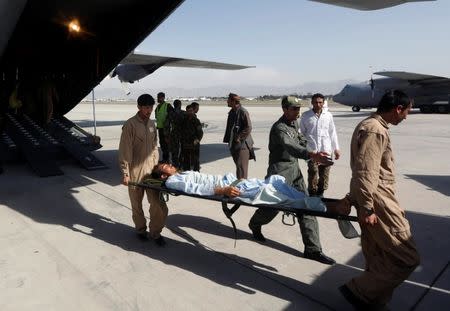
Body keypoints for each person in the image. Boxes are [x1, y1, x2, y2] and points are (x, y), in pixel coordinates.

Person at [339, 90, 420, 309]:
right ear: (398, 109)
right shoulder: (375, 130)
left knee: (378, 256)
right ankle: (359, 291)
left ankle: (374, 300)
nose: (406, 116)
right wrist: (366, 208)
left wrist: (353, 198)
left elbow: (362, 170)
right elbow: (366, 172)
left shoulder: (372, 125)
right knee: (407, 257)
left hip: (371, 198)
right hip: (378, 201)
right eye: (407, 111)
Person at [248, 96, 336, 265]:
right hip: (279, 172)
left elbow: (300, 141)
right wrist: (310, 155)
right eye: (294, 109)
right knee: (272, 207)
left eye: (299, 109)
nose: (298, 112)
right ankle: (255, 223)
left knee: (307, 206)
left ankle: (313, 249)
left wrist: (315, 151)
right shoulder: (279, 128)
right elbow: (291, 147)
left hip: (294, 171)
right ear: (285, 109)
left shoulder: (294, 124)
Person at [151, 163, 350, 214]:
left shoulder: (181, 172)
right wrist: (222, 191)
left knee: (278, 184)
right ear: (163, 175)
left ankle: (322, 203)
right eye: (164, 166)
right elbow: (194, 188)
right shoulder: (173, 182)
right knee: (282, 199)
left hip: (238, 183)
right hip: (234, 190)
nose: (168, 164)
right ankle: (331, 208)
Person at [118, 94, 168, 246]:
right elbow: (124, 151)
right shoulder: (130, 125)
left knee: (158, 205)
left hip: (151, 172)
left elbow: (154, 147)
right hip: (135, 172)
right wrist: (126, 173)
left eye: (151, 107)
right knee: (137, 205)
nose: (149, 110)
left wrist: (158, 168)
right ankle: (141, 230)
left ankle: (155, 232)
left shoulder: (152, 124)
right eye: (146, 107)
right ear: (139, 107)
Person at [299, 93, 340, 197]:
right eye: (316, 102)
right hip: (313, 151)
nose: (318, 104)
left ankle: (321, 194)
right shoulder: (306, 116)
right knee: (313, 172)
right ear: (312, 103)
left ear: (323, 103)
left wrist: (336, 149)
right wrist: (305, 149)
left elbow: (332, 132)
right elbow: (301, 133)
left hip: (326, 150)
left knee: (324, 175)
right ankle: (312, 194)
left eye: (320, 102)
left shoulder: (328, 116)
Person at [223, 93, 254, 179]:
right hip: (235, 145)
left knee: (241, 169)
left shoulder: (242, 111)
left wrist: (239, 138)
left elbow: (249, 127)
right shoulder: (232, 112)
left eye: (228, 100)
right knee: (239, 167)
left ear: (234, 101)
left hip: (242, 145)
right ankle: (240, 188)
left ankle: (242, 189)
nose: (227, 101)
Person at [180, 104, 203, 171]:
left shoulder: (196, 121)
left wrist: (197, 140)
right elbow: (181, 131)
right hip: (186, 144)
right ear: (186, 112)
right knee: (186, 160)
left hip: (194, 144)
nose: (190, 112)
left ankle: (196, 174)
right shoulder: (184, 121)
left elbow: (200, 132)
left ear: (193, 111)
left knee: (195, 160)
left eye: (191, 111)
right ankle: (186, 173)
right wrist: (182, 140)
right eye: (188, 111)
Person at [155, 92, 173, 163]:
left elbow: (172, 116)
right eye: (157, 97)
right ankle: (165, 159)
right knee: (162, 144)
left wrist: (168, 123)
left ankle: (167, 159)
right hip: (160, 129)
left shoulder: (167, 106)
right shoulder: (157, 107)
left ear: (163, 98)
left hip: (166, 129)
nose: (158, 99)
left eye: (159, 97)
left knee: (166, 144)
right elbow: (157, 117)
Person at [166, 99, 184, 167]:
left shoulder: (170, 114)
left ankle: (175, 164)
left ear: (174, 105)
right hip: (183, 134)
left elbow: (167, 125)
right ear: (180, 105)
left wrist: (166, 135)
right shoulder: (184, 113)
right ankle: (181, 163)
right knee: (182, 149)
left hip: (173, 134)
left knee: (174, 151)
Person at [190, 102, 201, 171]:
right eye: (197, 108)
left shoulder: (187, 116)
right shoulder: (195, 119)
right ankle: (196, 170)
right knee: (196, 156)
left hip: (187, 141)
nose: (198, 110)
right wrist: (198, 139)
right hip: (194, 140)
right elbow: (200, 132)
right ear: (194, 108)